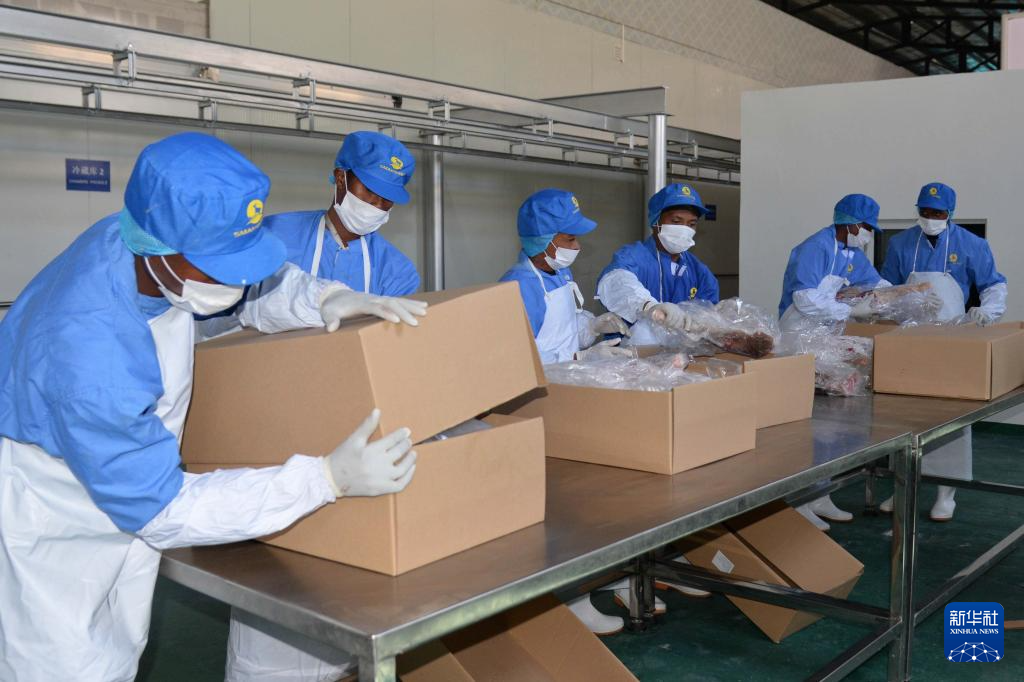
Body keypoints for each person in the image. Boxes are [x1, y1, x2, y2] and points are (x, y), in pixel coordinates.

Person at [0, 133, 424, 682]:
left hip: (123, 478)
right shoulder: (91, 356)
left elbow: (257, 286)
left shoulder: (142, 245)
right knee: (68, 664)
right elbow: (165, 509)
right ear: (160, 247)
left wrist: (324, 297)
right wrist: (324, 479)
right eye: (220, 267)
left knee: (120, 646)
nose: (238, 282)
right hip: (59, 517)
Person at [878, 182, 1007, 521]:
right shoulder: (901, 243)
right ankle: (902, 487)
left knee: (950, 416)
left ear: (950, 214)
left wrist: (987, 311)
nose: (930, 218)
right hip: (910, 338)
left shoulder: (971, 244)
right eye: (924, 212)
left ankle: (946, 493)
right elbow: (887, 287)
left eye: (937, 213)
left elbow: (994, 284)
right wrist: (902, 303)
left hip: (952, 340)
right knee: (903, 414)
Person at [778, 193, 890, 531]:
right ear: (851, 223)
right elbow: (804, 298)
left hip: (827, 338)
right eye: (866, 227)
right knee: (805, 423)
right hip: (799, 337)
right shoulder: (815, 247)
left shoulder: (853, 253)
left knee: (830, 422)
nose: (867, 234)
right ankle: (798, 499)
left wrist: (901, 297)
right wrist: (850, 309)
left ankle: (820, 493)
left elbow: (875, 283)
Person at [263, 131, 420, 296]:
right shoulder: (275, 236)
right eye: (370, 190)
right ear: (340, 178)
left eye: (388, 197)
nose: (378, 204)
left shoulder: (397, 272)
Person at [499, 188, 631, 366]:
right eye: (570, 239)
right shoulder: (517, 288)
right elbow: (515, 357)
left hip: (566, 376)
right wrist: (577, 358)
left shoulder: (560, 272)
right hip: (542, 381)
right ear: (542, 240)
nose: (577, 246)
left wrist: (592, 326)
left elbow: (563, 331)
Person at [597, 182, 719, 332]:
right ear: (655, 221)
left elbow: (707, 314)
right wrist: (649, 307)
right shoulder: (634, 257)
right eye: (676, 221)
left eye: (691, 224)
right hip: (631, 345)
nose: (684, 229)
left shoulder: (698, 271)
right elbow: (616, 282)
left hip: (682, 346)